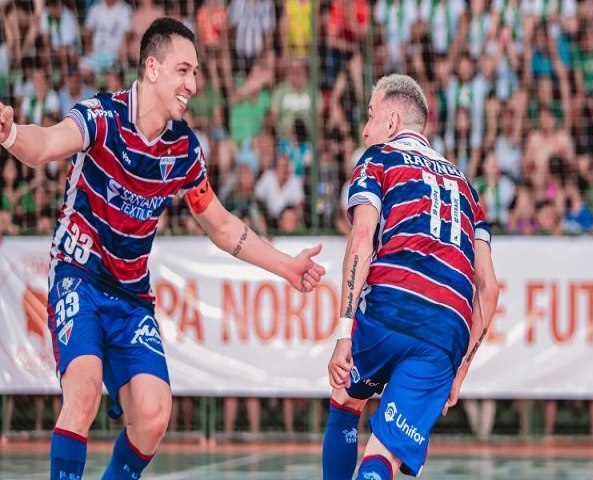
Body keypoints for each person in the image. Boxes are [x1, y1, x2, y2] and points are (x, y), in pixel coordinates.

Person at [0, 17, 325, 480]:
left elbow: (218, 223)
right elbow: (47, 144)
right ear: (151, 68)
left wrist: (286, 266)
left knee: (153, 417)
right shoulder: (102, 118)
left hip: (132, 296)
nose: (193, 83)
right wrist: (11, 134)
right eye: (184, 70)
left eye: (195, 73)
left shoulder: (183, 150)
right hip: (79, 275)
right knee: (85, 392)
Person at [323, 74, 499, 480]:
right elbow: (488, 289)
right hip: (445, 335)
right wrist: (459, 372)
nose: (365, 129)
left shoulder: (378, 159)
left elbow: (362, 239)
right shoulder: (468, 188)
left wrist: (343, 333)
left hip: (389, 310)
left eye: (370, 116)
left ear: (392, 121)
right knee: (383, 454)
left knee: (344, 401)